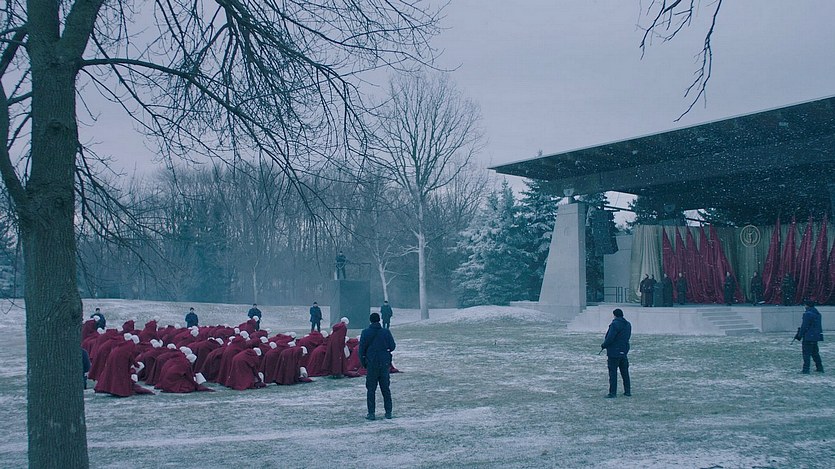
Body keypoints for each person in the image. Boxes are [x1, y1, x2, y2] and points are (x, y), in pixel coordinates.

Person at [359, 312, 396, 420]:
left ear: (370, 320)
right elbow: (392, 346)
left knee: (371, 390)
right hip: (384, 363)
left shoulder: (365, 332)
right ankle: (388, 412)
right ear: (379, 320)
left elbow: (361, 350)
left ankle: (371, 413)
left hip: (371, 363)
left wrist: (364, 363)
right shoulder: (386, 332)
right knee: (385, 389)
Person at [600, 308, 631, 398]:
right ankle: (627, 391)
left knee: (613, 373)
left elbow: (610, 337)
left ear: (615, 315)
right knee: (625, 373)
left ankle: (612, 393)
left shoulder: (614, 324)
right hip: (624, 351)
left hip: (614, 352)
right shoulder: (628, 324)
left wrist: (604, 345)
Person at [795, 300, 824, 374]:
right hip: (815, 336)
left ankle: (806, 369)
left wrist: (799, 335)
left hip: (808, 337)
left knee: (806, 354)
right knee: (815, 353)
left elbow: (804, 326)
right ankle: (819, 367)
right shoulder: (817, 313)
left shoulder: (807, 314)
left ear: (807, 305)